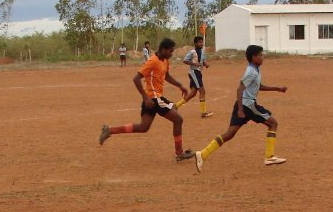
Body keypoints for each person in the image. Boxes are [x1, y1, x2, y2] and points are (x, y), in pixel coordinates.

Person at [194, 44, 287, 172]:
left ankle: (203, 154)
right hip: (248, 105)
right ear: (253, 57)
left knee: (230, 134)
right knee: (273, 123)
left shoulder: (255, 70)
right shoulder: (251, 72)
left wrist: (277, 89)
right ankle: (269, 156)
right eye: (260, 55)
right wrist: (240, 109)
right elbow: (240, 88)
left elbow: (258, 86)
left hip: (243, 105)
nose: (262, 57)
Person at [99, 38, 195, 161]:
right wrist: (145, 97)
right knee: (178, 119)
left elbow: (166, 75)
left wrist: (179, 85)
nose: (171, 54)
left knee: (143, 127)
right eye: (170, 51)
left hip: (154, 99)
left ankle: (110, 130)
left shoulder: (165, 60)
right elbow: (136, 78)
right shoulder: (152, 61)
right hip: (153, 98)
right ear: (163, 49)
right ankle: (179, 153)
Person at [174, 35, 213, 117]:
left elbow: (202, 61)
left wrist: (206, 64)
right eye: (199, 42)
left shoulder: (202, 52)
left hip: (198, 72)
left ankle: (176, 106)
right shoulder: (192, 52)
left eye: (202, 42)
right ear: (195, 43)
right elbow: (185, 60)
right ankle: (203, 112)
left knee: (193, 93)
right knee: (202, 91)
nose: (201, 43)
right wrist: (194, 63)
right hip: (194, 72)